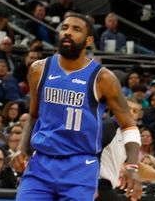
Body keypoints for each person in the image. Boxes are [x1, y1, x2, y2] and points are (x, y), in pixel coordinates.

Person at [12, 13, 142, 201]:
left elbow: (129, 126)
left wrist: (132, 166)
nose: (68, 33)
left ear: (89, 40)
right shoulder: (38, 69)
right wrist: (21, 149)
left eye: (76, 29)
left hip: (80, 167)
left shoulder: (103, 78)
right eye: (64, 28)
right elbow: (33, 115)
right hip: (41, 164)